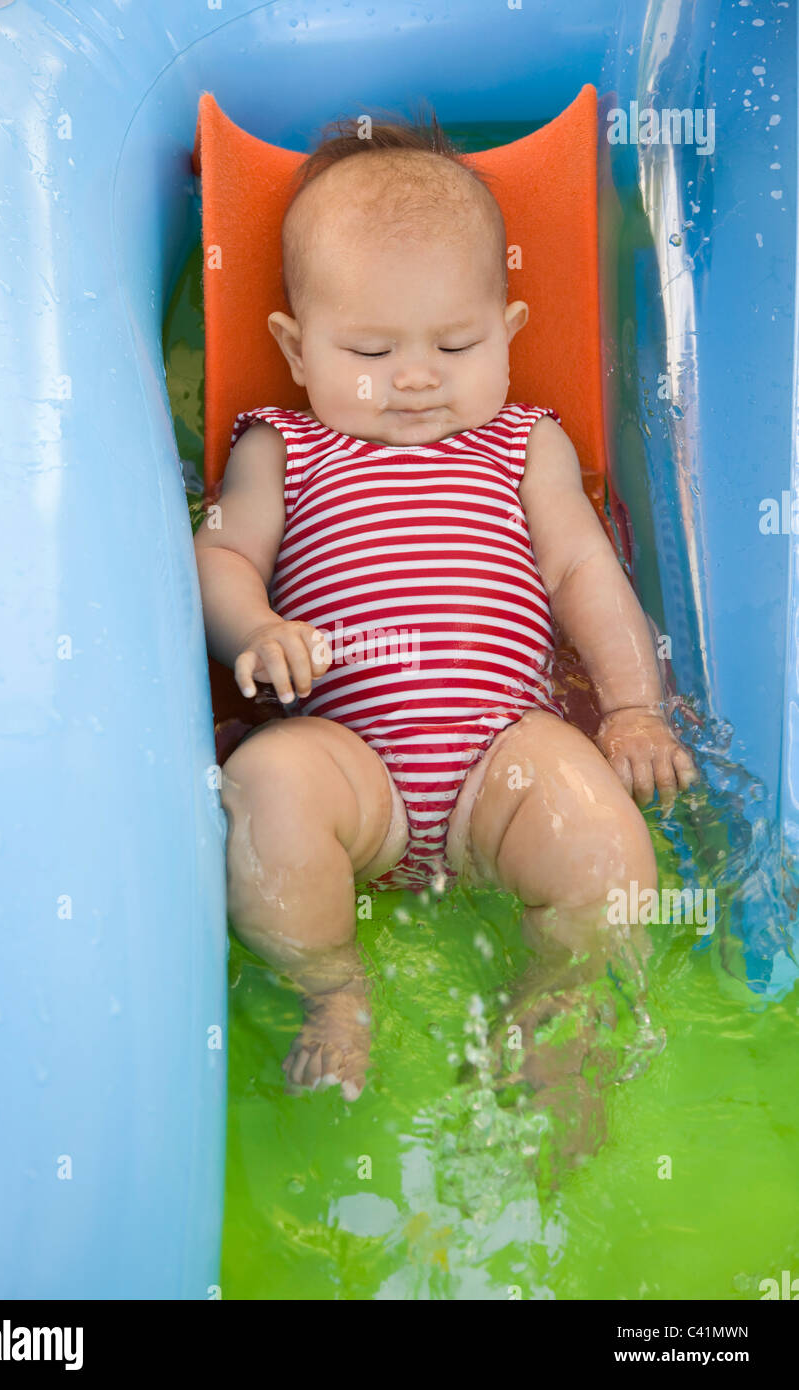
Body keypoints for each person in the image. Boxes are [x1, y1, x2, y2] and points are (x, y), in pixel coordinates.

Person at [194, 115, 698, 1105]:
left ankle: (561, 999)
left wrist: (635, 707)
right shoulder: (284, 447)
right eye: (371, 349)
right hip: (355, 766)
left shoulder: (524, 442)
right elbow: (219, 554)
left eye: (456, 343)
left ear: (506, 331)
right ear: (297, 349)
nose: (416, 377)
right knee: (267, 782)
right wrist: (256, 628)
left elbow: (585, 572)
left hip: (502, 764)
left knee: (600, 831)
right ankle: (333, 988)